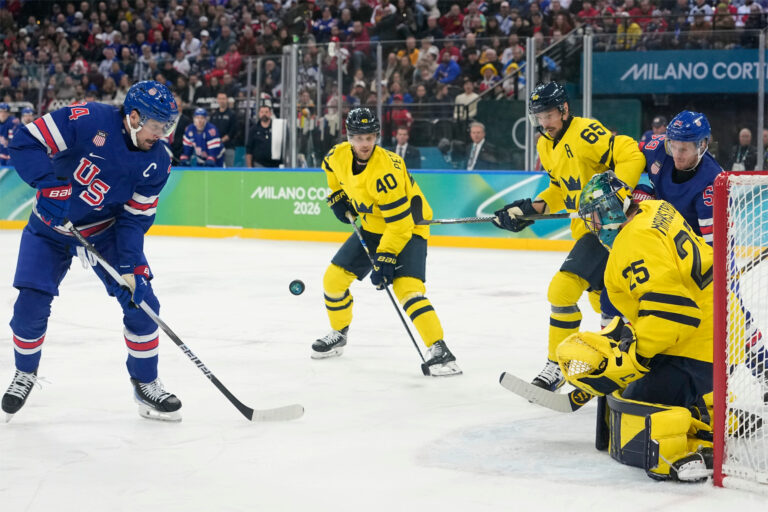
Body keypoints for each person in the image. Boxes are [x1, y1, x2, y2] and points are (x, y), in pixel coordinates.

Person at [2, 80, 183, 422]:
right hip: (50, 228)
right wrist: (49, 186)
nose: (161, 134)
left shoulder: (158, 162)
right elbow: (25, 141)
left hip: (105, 232)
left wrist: (130, 264)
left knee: (142, 301)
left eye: (166, 127)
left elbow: (134, 219)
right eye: (157, 126)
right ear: (133, 117)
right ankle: (25, 373)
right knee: (30, 304)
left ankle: (146, 383)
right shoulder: (87, 118)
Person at [556, 170, 714, 482]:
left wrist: (633, 357)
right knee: (628, 386)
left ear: (612, 209)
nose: (595, 227)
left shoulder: (633, 242)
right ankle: (706, 404)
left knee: (633, 411)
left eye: (596, 218)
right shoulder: (655, 208)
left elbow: (674, 315)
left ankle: (698, 443)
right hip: (719, 323)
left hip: (697, 341)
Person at [493, 82, 645, 391]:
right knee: (606, 302)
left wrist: (616, 190)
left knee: (561, 291)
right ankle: (628, 360)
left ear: (564, 109)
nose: (545, 123)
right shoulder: (544, 145)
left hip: (609, 227)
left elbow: (631, 154)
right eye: (539, 116)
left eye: (549, 114)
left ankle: (557, 365)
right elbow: (560, 190)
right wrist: (529, 210)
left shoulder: (586, 132)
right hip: (587, 231)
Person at [313, 108, 461, 377]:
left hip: (408, 228)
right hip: (372, 225)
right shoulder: (338, 154)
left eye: (370, 137)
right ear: (349, 138)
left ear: (377, 137)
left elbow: (400, 225)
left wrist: (386, 257)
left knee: (408, 289)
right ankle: (339, 333)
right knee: (333, 280)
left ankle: (440, 349)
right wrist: (336, 196)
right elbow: (330, 169)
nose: (365, 144)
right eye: (359, 138)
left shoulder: (386, 172)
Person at [641, 111, 722, 245]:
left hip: (692, 248)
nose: (676, 155)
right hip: (659, 235)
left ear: (701, 146)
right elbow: (626, 154)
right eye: (673, 146)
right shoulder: (658, 148)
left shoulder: (712, 182)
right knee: (639, 193)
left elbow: (715, 248)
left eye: (683, 149)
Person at [245, 101, 283, 168]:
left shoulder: (277, 128)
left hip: (275, 166)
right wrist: (249, 167)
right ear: (259, 114)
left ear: (270, 113)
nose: (264, 114)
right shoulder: (253, 129)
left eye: (266, 112)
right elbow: (249, 149)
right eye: (262, 112)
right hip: (259, 165)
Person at [209, 92, 238, 167]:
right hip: (215, 147)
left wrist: (222, 140)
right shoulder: (214, 114)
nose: (222, 101)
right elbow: (210, 129)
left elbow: (233, 131)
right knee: (215, 169)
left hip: (228, 146)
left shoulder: (232, 114)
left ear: (227, 100)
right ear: (217, 100)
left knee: (229, 169)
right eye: (220, 99)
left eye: (223, 99)